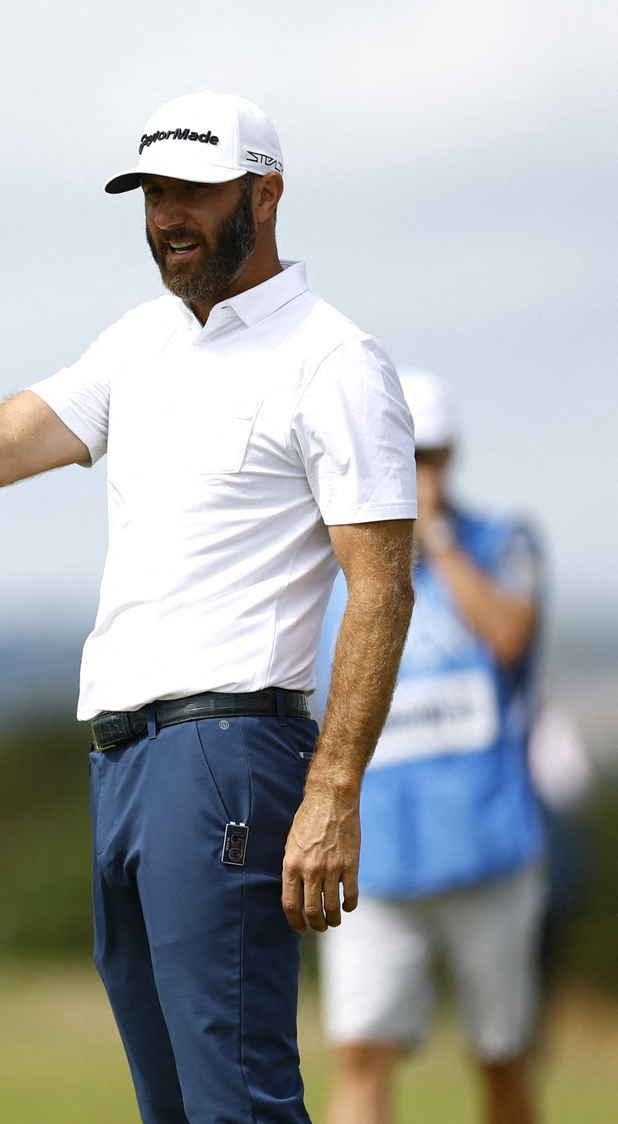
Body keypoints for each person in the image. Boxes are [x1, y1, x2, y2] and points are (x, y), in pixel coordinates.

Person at [0, 91, 416, 1123]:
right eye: (151, 194)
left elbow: (381, 584)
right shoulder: (139, 342)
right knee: (172, 1104)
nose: (166, 216)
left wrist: (332, 790)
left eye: (193, 191)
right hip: (123, 761)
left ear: (263, 194)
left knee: (237, 1100)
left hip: (227, 754)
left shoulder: (331, 359)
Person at [316, 370, 546, 1124]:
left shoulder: (501, 542)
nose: (416, 470)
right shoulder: (336, 571)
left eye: (428, 454)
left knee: (502, 1054)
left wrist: (436, 537)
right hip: (377, 858)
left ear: (449, 458)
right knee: (359, 1051)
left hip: (488, 848)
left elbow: (510, 635)